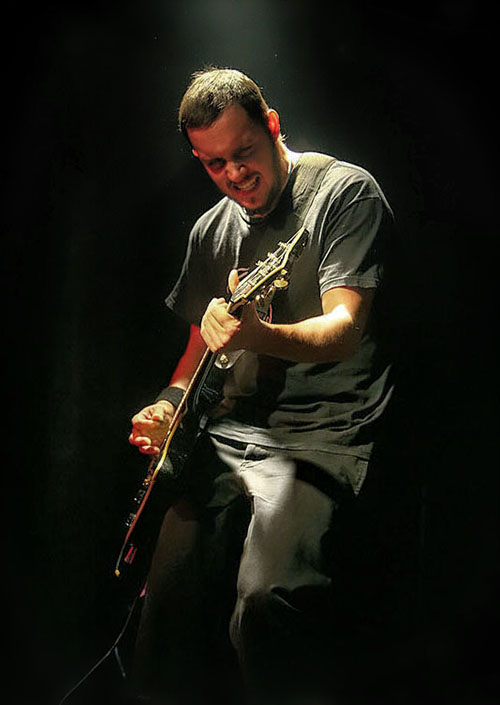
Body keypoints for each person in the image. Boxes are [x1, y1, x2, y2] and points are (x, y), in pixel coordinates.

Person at [127, 67, 403, 705]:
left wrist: (259, 335)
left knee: (265, 600)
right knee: (164, 609)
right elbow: (199, 347)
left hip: (328, 431)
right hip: (234, 433)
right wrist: (168, 405)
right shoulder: (211, 231)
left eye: (244, 152)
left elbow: (344, 328)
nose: (234, 174)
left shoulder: (344, 194)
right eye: (214, 163)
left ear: (272, 124)